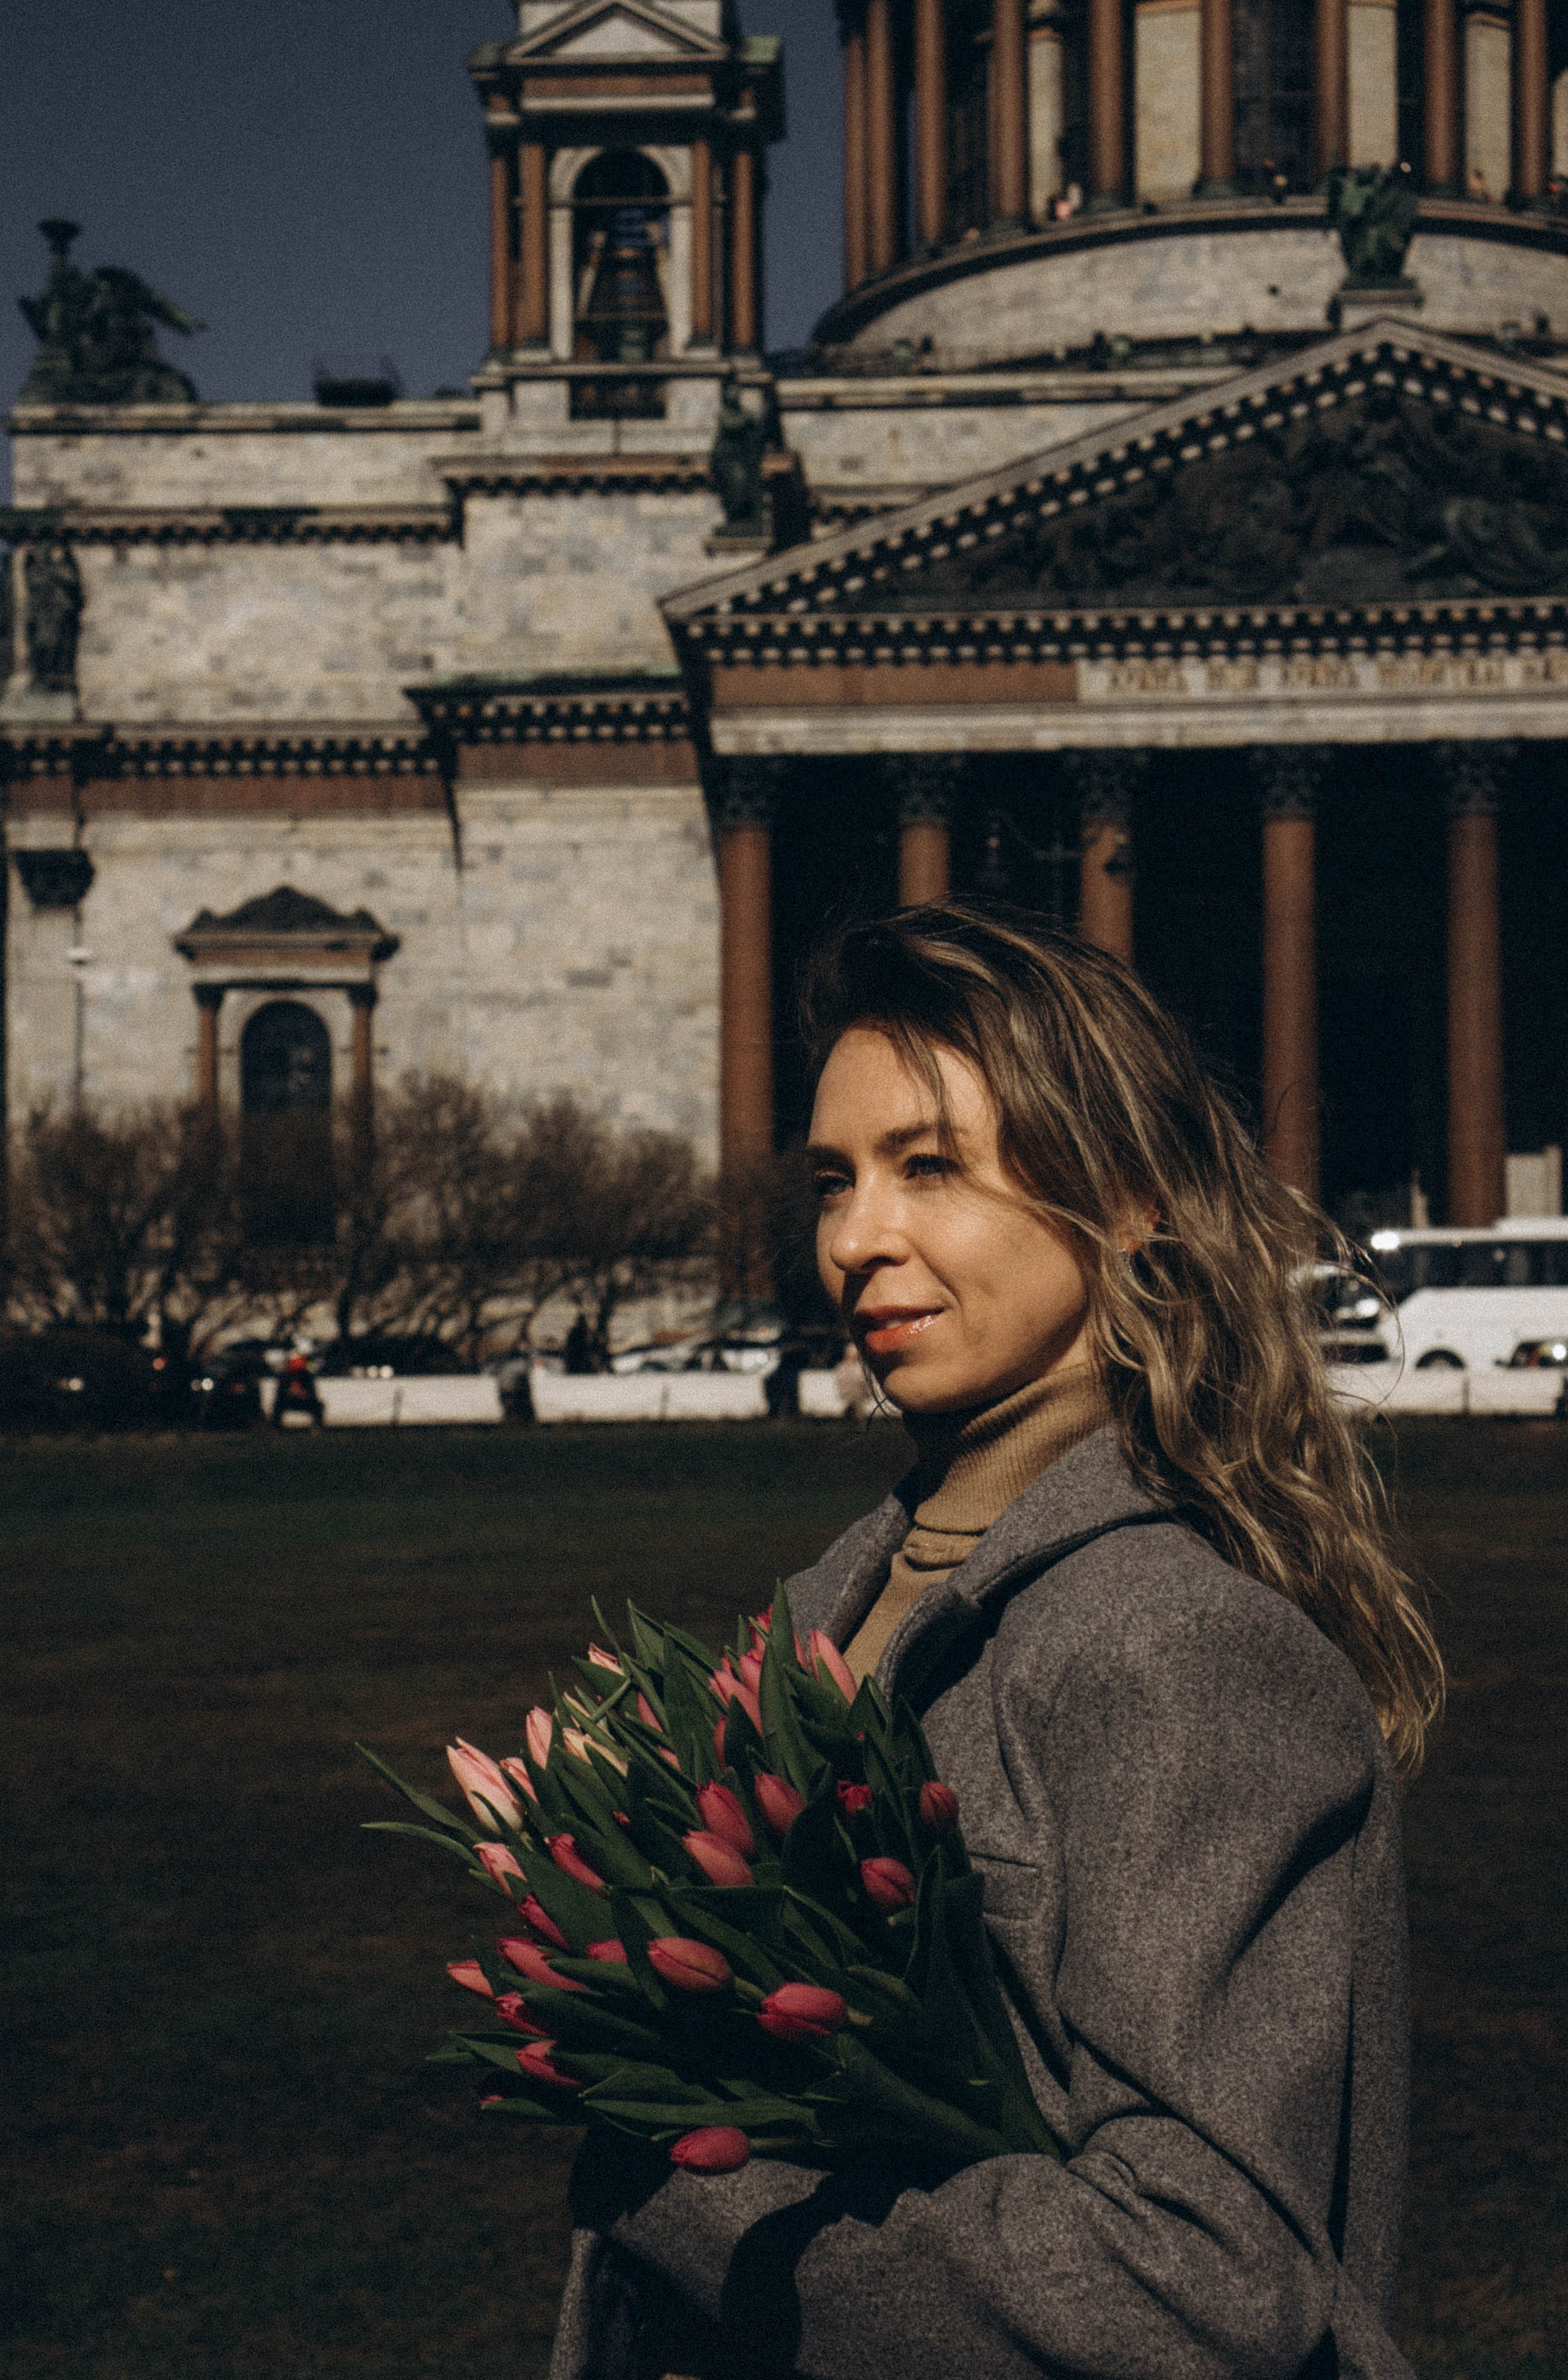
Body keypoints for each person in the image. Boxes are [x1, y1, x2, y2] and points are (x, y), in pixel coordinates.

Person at [552, 902, 1443, 2380]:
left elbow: (1196, 2285)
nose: (853, 1240)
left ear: (1129, 1198)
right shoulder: (823, 1605)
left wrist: (684, 2189)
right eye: (833, 1180)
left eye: (928, 1169)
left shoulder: (1175, 1650)